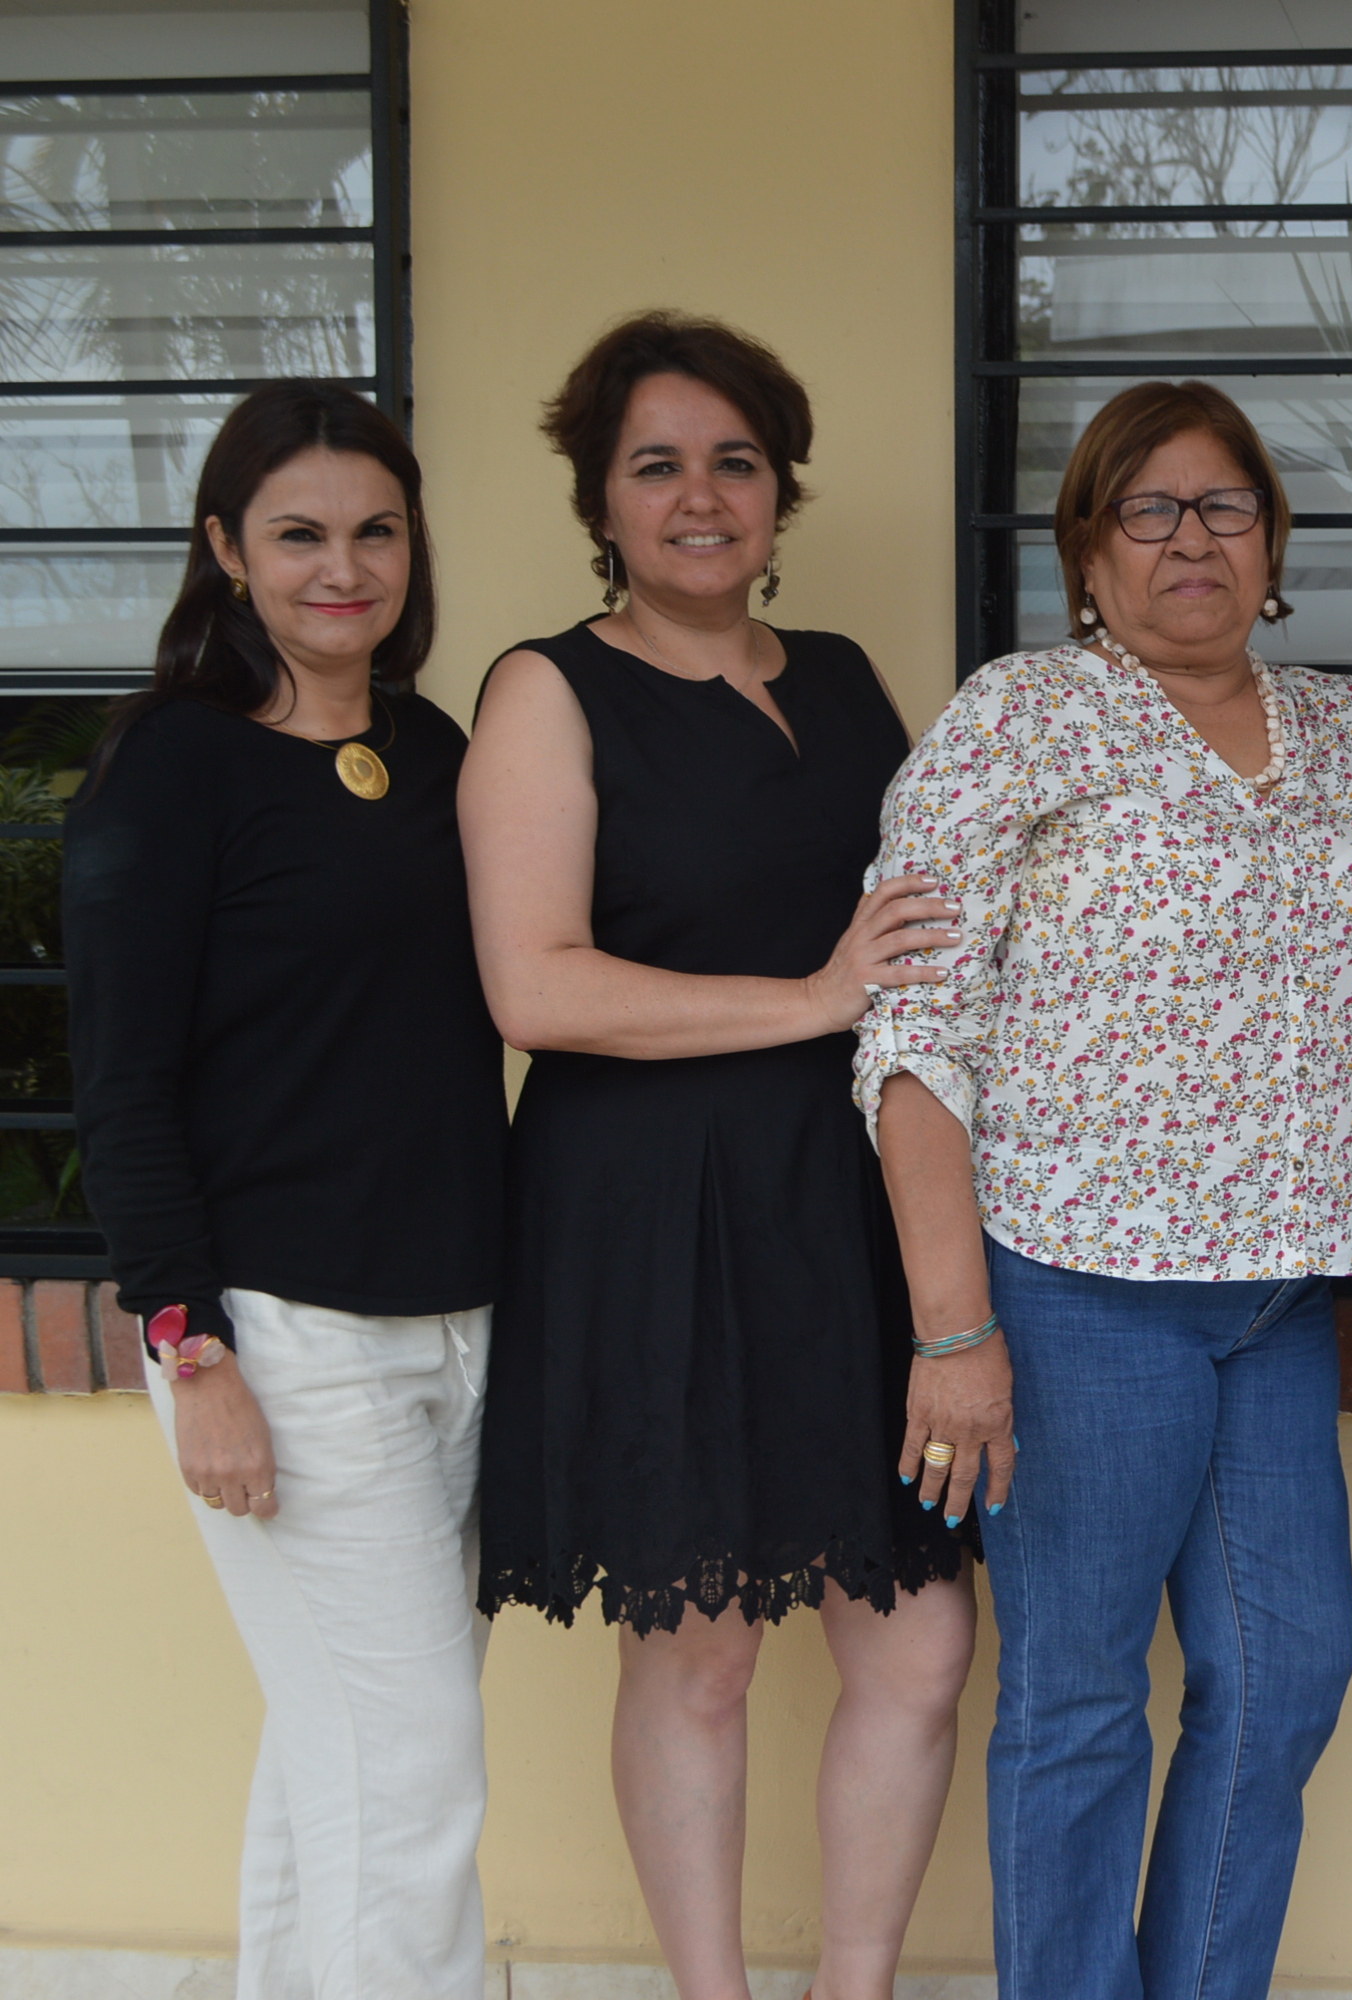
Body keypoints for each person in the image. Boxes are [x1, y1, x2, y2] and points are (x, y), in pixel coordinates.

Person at [856, 377, 1352, 2000]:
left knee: (1285, 1681)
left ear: (1272, 542)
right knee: (1071, 1702)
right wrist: (952, 1330)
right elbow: (915, 1040)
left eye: (1223, 506)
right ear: (1089, 550)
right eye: (1147, 509)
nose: (1189, 537)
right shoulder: (1018, 721)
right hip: (1075, 1294)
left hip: (1276, 1300)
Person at [462, 312, 978, 2000]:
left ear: (781, 488)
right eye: (657, 465)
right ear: (599, 501)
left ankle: (855, 1987)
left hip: (847, 1203)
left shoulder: (831, 675)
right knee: (700, 1655)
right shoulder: (548, 685)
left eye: (736, 462)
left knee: (918, 1640)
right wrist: (818, 992)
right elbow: (536, 986)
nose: (703, 498)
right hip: (650, 1211)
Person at [66, 381, 507, 1998]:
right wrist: (193, 1349)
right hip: (280, 1337)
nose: (345, 568)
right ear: (224, 552)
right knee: (412, 1780)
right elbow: (118, 1085)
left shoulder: (435, 746)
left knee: (342, 1768)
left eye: (376, 530)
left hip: (456, 1325)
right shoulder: (170, 772)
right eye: (300, 534)